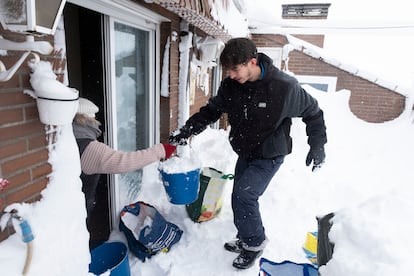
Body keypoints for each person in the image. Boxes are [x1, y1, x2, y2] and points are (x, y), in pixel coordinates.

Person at [169, 38, 327, 269]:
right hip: (246, 151)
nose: (231, 75)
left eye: (235, 69)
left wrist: (318, 145)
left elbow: (313, 112)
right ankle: (245, 237)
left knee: (245, 196)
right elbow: (211, 111)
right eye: (228, 70)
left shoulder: (284, 87)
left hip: (270, 154)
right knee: (238, 198)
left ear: (252, 62)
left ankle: (255, 243)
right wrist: (187, 131)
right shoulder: (231, 86)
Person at [73, 97, 176, 248]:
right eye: (93, 118)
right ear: (84, 119)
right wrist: (160, 150)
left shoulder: (70, 139)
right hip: (77, 212)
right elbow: (124, 161)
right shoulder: (88, 147)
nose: (96, 121)